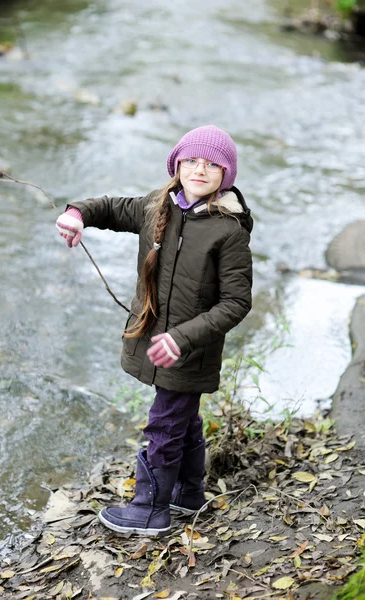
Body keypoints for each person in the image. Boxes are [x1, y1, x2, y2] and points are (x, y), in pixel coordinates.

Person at [55, 125, 253, 536]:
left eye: (211, 164)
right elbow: (110, 207)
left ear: (226, 174)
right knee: (184, 418)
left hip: (189, 350)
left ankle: (150, 510)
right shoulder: (156, 206)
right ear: (177, 165)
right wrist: (78, 214)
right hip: (152, 336)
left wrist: (182, 338)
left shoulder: (228, 231)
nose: (200, 169)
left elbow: (236, 302)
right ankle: (187, 493)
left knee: (165, 423)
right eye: (192, 161)